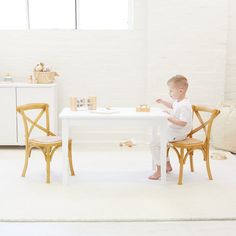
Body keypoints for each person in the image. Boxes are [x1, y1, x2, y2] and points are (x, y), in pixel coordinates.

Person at [149, 75, 192, 180]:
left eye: (171, 91)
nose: (170, 93)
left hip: (179, 133)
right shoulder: (179, 102)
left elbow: (183, 123)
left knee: (154, 144)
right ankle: (167, 165)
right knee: (158, 139)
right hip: (173, 131)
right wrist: (163, 102)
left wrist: (168, 117)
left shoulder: (185, 105)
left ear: (181, 91)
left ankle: (160, 169)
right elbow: (173, 106)